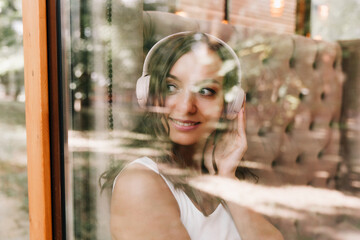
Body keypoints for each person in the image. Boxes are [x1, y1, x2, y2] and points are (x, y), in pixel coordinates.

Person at [107, 32, 283, 240]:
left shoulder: (220, 178)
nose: (186, 107)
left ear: (230, 105)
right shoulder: (139, 183)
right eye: (171, 87)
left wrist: (227, 178)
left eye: (206, 91)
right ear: (149, 94)